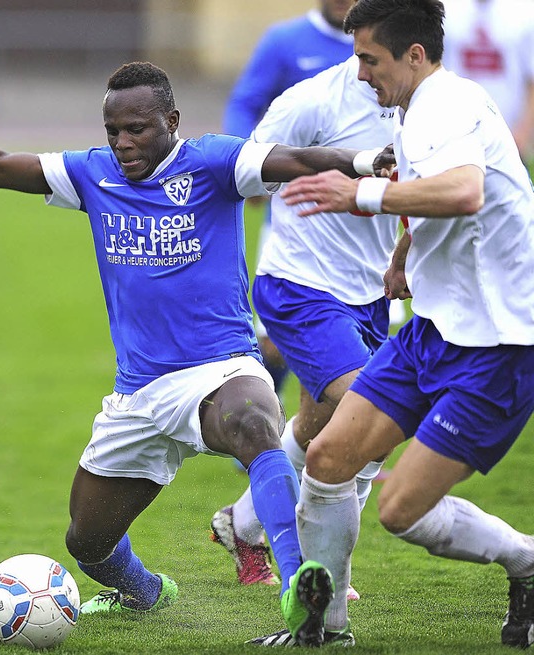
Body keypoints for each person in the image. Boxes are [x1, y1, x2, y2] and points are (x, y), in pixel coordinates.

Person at [0, 29, 394, 635]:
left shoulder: (213, 162)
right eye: (114, 131)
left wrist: (365, 164)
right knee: (87, 544)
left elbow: (297, 158)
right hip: (138, 394)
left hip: (220, 368)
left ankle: (296, 584)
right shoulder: (92, 174)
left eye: (138, 129)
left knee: (257, 424)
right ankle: (147, 591)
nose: (124, 144)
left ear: (171, 121)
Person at [264, 0, 534, 648]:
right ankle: (324, 630)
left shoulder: (447, 104)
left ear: (415, 55)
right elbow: (446, 192)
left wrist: (357, 193)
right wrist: (403, 256)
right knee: (329, 457)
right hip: (433, 330)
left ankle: (528, 561)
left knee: (399, 510)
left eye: (369, 59)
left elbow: (465, 190)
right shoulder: (415, 110)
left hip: (498, 345)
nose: (360, 74)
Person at [210, 53, 399, 609]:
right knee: (375, 412)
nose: (365, 69)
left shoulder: (433, 104)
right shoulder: (312, 99)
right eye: (361, 52)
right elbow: (250, 173)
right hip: (301, 285)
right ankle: (326, 566)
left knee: (320, 426)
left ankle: (241, 524)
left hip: (372, 291)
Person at [223, 1, 355, 398]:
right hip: (297, 212)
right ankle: (263, 421)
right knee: (276, 342)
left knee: (351, 348)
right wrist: (250, 166)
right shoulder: (285, 40)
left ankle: (305, 444)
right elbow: (244, 102)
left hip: (367, 221)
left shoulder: (384, 45)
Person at [441, 0, 534, 164]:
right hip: (455, 136)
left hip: (509, 138)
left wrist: (523, 133)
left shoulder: (524, 13)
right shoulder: (446, 11)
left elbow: (531, 80)